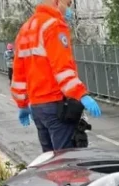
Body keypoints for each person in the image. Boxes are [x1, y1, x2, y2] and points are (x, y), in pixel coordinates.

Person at [11, 0, 102, 152]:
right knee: (66, 164)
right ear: (57, 1)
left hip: (37, 108)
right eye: (68, 4)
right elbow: (63, 68)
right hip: (56, 106)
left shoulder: (26, 29)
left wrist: (22, 104)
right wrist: (81, 94)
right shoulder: (54, 25)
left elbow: (19, 73)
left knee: (49, 162)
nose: (69, 9)